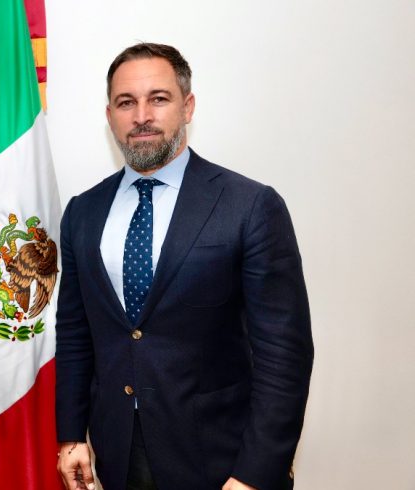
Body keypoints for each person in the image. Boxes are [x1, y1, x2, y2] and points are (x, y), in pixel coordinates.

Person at [55, 43, 313, 490]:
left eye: (158, 98)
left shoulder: (250, 206)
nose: (141, 116)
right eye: (126, 102)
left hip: (222, 458)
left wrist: (255, 473)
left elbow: (285, 355)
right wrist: (71, 435)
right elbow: (76, 334)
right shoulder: (83, 211)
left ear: (187, 106)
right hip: (116, 456)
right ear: (110, 115)